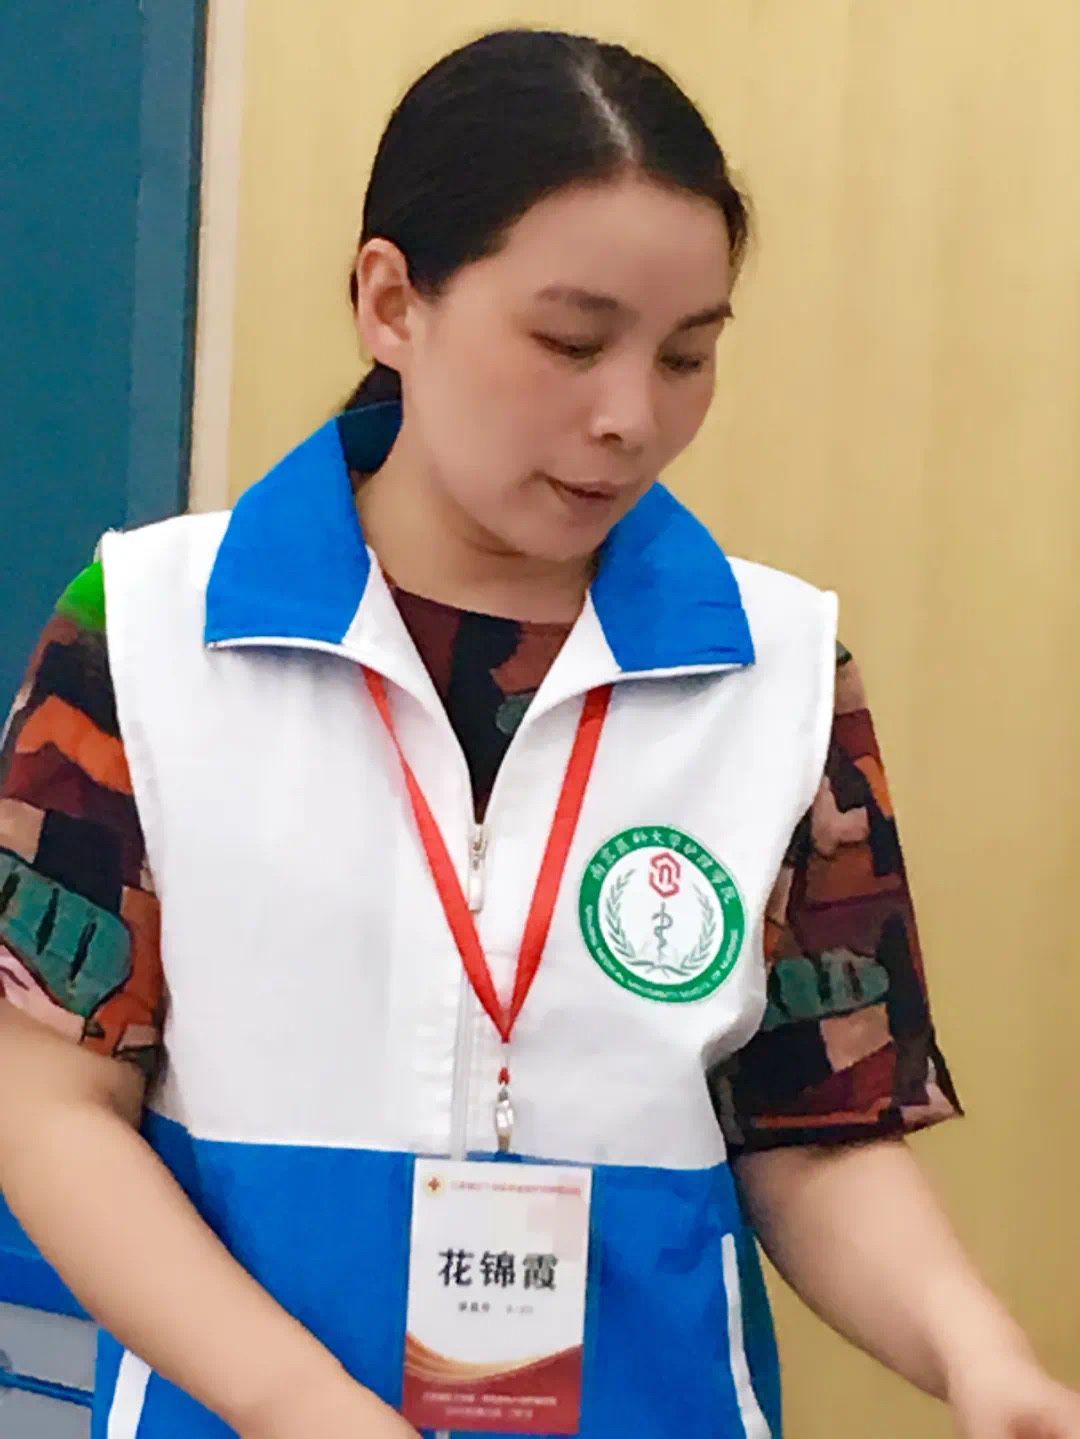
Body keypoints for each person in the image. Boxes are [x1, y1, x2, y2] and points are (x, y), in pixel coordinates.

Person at [0, 25, 1076, 1439]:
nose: (631, 416)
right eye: (570, 343)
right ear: (393, 302)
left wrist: (975, 1355)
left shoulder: (780, 674)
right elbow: (46, 1104)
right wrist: (298, 1406)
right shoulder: (145, 633)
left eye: (687, 356)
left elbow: (815, 1135)